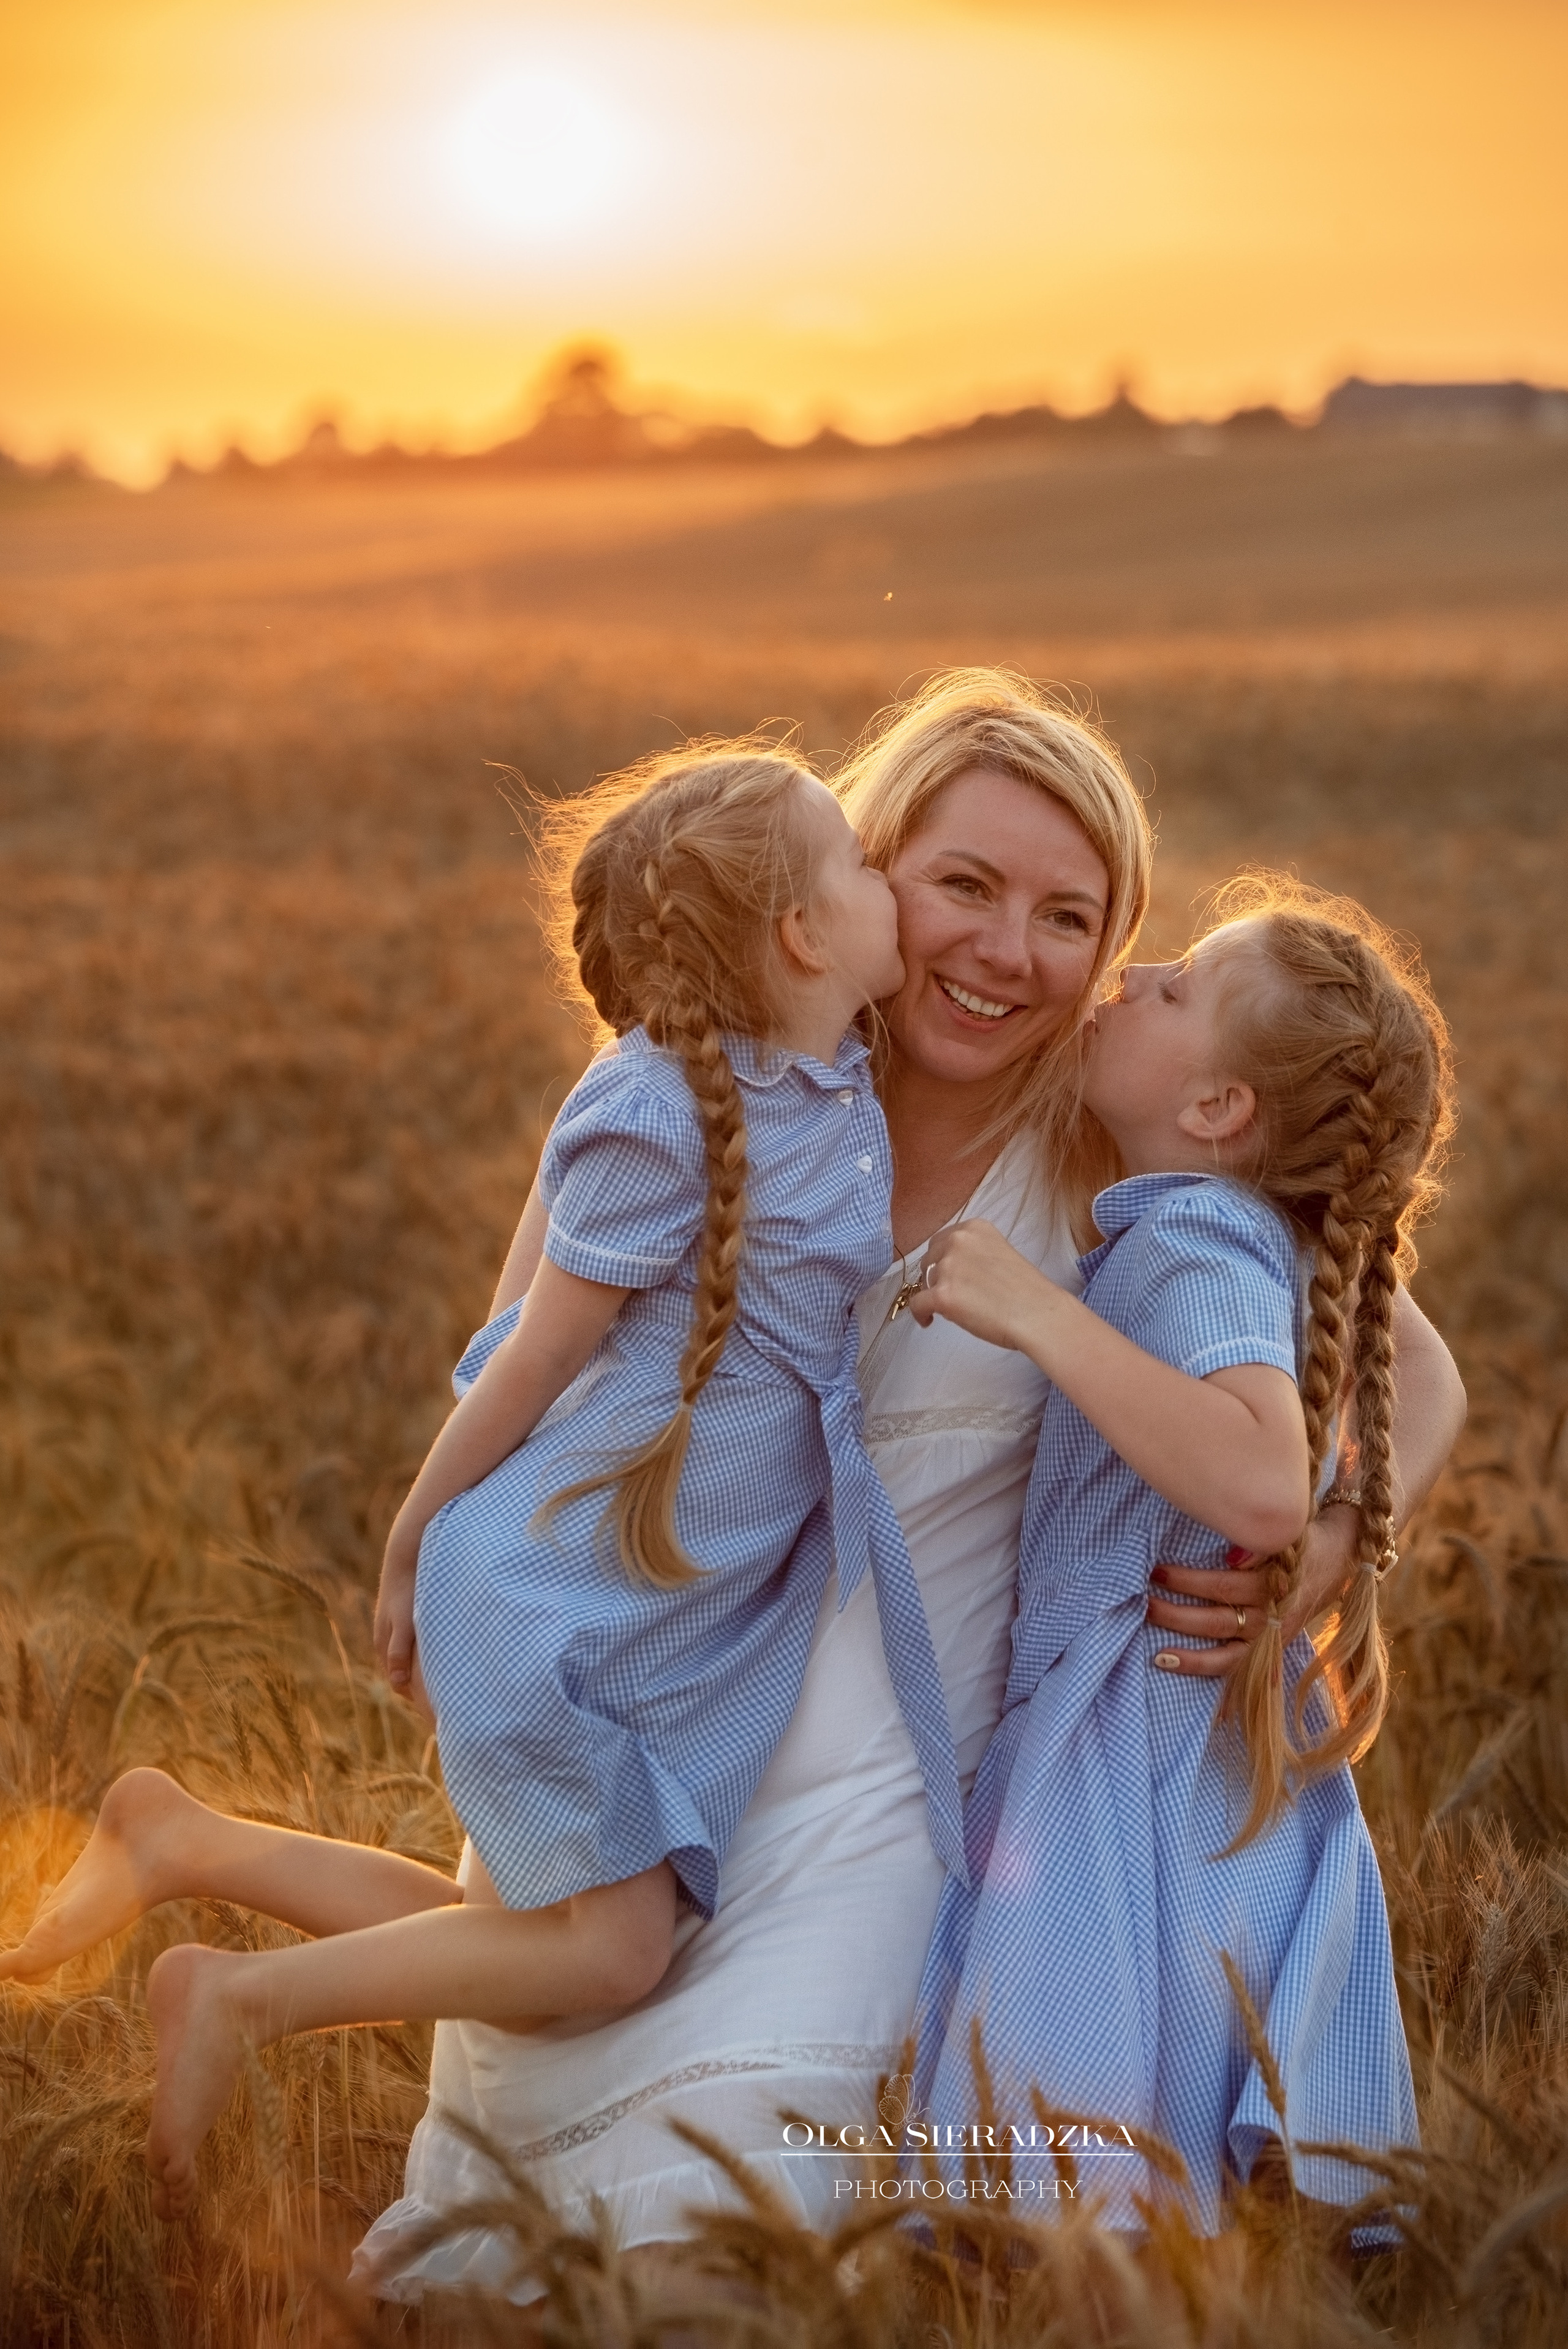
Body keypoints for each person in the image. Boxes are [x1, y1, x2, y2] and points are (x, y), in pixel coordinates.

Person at [353, 675, 1467, 2302]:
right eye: (964, 886)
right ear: (864, 883)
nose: (1007, 950)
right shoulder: (708, 1092)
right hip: (657, 1771)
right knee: (504, 2274)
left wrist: (1339, 1547)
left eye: (1069, 916)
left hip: (901, 1820)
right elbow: (529, 1387)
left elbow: (1410, 1368)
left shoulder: (1111, 1146)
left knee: (736, 2267)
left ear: (1112, 948)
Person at [0, 743, 968, 2221]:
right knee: (609, 1955)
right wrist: (406, 1550)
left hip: (663, 1606)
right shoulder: (659, 1117)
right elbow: (522, 1360)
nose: (887, 878)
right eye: (858, 861)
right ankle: (238, 1998)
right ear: (798, 933)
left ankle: (183, 1839)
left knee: (527, 1941)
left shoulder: (825, 1068)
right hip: (553, 1594)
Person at [909, 875, 1453, 2228]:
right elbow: (1428, 1380)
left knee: (1078, 2084)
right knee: (1185, 2079)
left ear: (1215, 1112)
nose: (1135, 976)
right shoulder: (1249, 1227)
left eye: (1177, 987)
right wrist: (1350, 1540)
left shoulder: (1194, 1239)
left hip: (1128, 1732)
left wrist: (1036, 1312)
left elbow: (1261, 1476)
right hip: (1195, 1725)